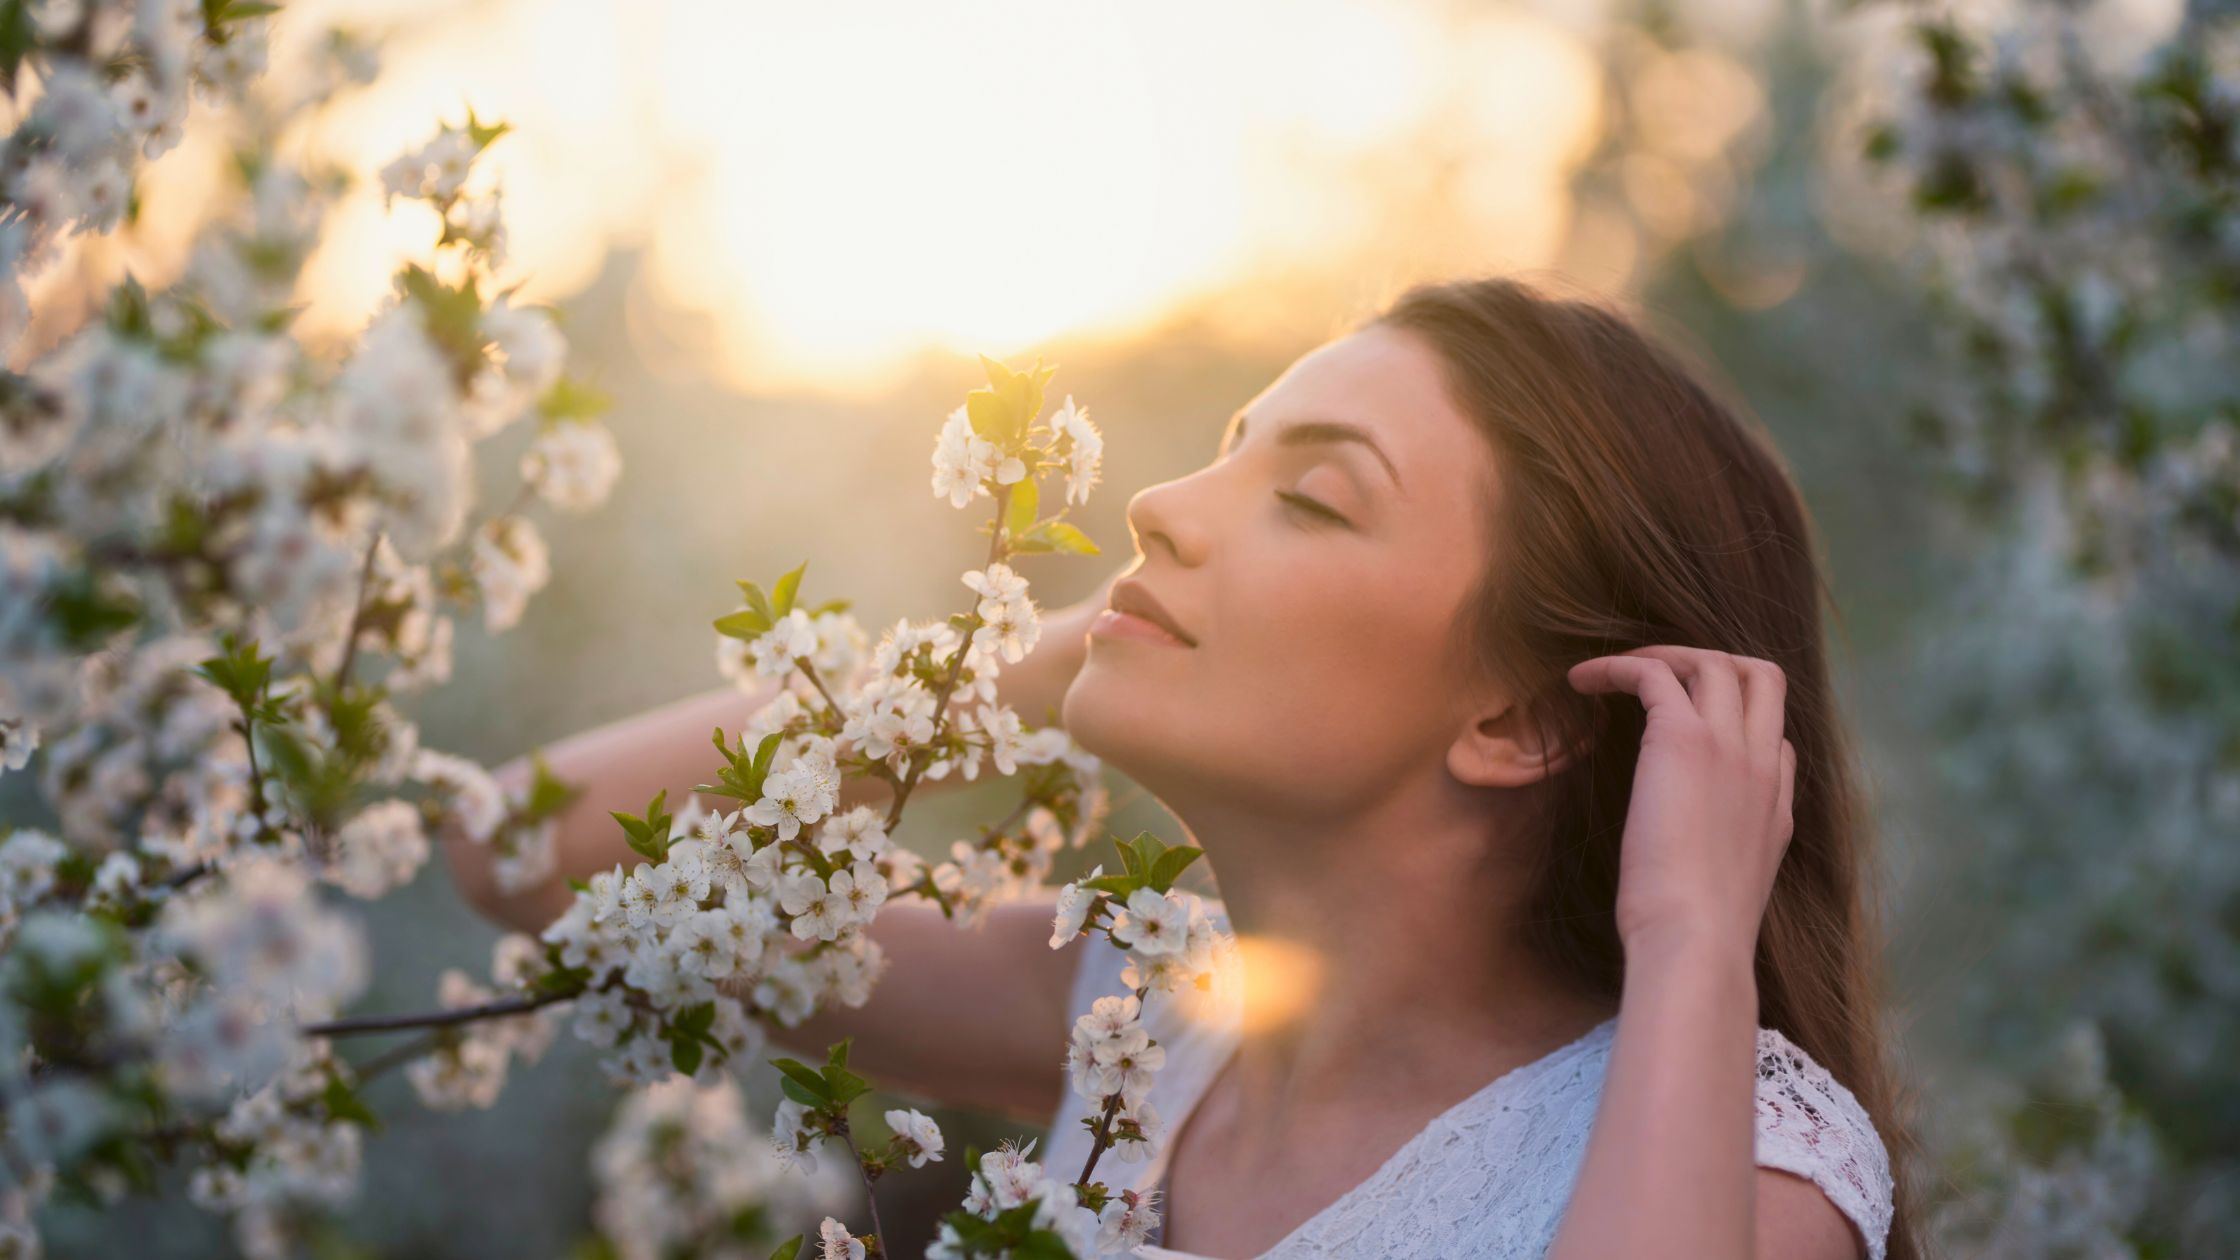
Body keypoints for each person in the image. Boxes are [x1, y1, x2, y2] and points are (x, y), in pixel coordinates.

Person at [446, 273, 1916, 1259]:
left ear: (1520, 723)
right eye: (1224, 450)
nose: (1157, 503)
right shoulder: (1135, 1018)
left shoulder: (1742, 1155)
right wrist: (997, 664)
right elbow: (530, 848)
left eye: (1316, 502)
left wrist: (1690, 942)